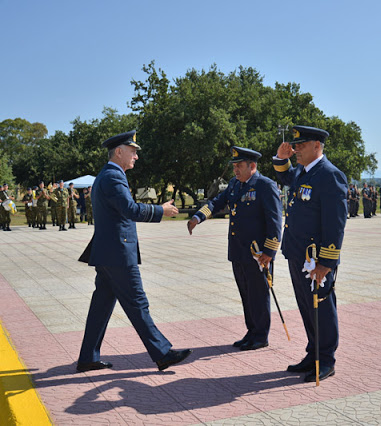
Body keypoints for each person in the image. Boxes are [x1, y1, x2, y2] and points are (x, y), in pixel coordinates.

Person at [77, 130, 192, 373]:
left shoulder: (107, 175)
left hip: (109, 253)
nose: (136, 156)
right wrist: (159, 211)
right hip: (117, 254)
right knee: (138, 302)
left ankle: (88, 357)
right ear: (119, 152)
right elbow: (129, 209)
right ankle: (161, 353)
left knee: (101, 307)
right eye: (133, 151)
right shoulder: (112, 177)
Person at [272, 125, 348, 383]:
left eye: (301, 146)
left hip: (317, 258)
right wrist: (281, 159)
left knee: (322, 308)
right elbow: (285, 176)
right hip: (297, 254)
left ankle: (326, 359)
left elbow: (335, 224)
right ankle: (313, 352)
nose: (296, 151)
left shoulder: (330, 176)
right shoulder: (304, 173)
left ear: (317, 145)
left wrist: (326, 262)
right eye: (295, 146)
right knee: (307, 307)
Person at [188, 147, 282, 351]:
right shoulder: (234, 185)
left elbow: (275, 222)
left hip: (258, 254)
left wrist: (269, 252)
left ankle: (261, 335)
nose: (235, 170)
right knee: (246, 294)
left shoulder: (265, 186)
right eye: (234, 166)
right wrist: (198, 216)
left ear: (252, 166)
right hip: (238, 251)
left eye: (239, 166)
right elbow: (216, 202)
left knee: (258, 294)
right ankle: (251, 331)